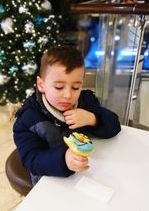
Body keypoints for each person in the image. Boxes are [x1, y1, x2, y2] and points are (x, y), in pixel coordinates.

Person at [13, 46, 121, 186]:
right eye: (59, 87)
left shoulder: (85, 102)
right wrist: (63, 159)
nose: (68, 95)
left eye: (76, 87)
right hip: (51, 181)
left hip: (87, 174)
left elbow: (114, 126)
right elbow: (31, 160)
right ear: (41, 85)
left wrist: (92, 118)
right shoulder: (28, 119)